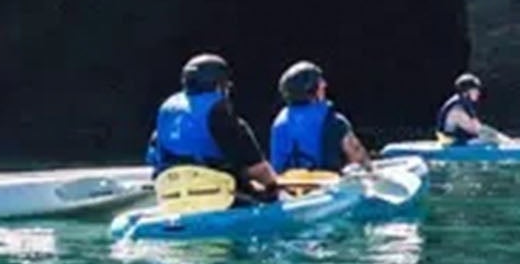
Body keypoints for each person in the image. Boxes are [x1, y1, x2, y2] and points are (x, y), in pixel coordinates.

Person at [147, 53, 280, 202]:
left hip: (171, 195)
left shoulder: (168, 110)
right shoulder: (219, 112)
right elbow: (257, 169)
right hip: (214, 195)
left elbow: (154, 157)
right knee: (266, 197)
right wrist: (273, 186)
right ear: (218, 86)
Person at [270, 61, 371, 174]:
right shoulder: (336, 122)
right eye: (320, 82)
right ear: (311, 90)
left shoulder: (278, 123)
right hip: (326, 187)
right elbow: (361, 161)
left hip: (287, 187)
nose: (324, 85)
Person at [436, 73, 494, 144]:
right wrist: (505, 140)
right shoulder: (456, 110)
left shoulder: (463, 104)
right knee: (487, 141)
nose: (478, 93)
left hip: (456, 142)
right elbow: (478, 130)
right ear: (466, 92)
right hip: (450, 144)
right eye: (475, 90)